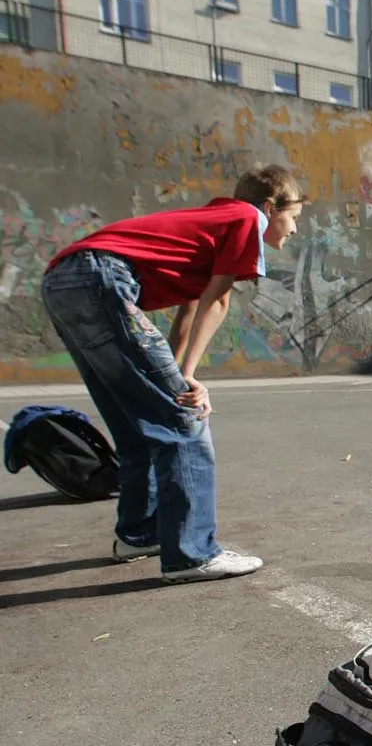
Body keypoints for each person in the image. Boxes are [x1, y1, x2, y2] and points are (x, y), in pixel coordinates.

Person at [40, 165, 306, 583]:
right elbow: (216, 303)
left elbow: (190, 310)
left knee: (137, 423)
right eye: (294, 218)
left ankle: (138, 533)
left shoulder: (212, 222)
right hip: (99, 278)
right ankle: (191, 554)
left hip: (64, 280)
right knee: (183, 418)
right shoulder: (245, 219)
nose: (293, 231)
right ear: (270, 208)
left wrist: (182, 376)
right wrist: (184, 387)